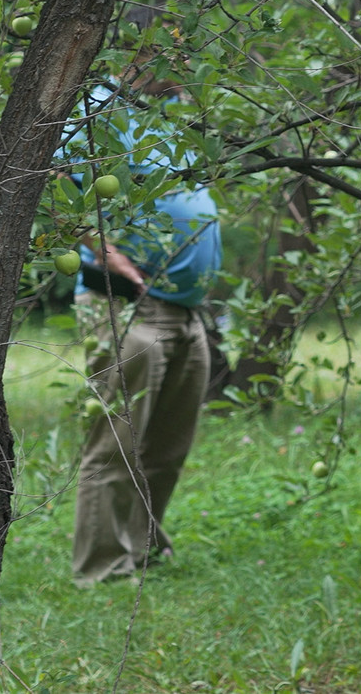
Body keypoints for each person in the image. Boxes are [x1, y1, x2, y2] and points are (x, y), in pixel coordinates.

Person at [65, 66, 222, 587]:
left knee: (167, 445)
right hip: (126, 302)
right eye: (174, 53)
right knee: (116, 440)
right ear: (141, 54)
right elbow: (61, 191)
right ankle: (103, 568)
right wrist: (110, 256)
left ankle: (142, 546)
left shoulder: (168, 111)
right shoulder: (95, 109)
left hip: (184, 308)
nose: (187, 65)